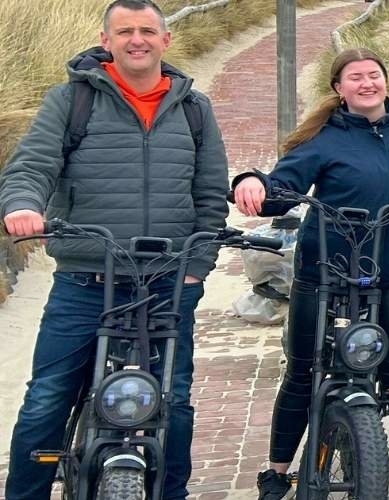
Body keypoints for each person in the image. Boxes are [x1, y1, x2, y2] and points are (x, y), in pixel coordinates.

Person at [2, 1, 229, 498]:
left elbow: (211, 195)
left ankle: (171, 492)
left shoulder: (194, 107)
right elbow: (32, 167)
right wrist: (22, 205)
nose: (137, 39)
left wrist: (196, 268)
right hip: (86, 279)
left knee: (176, 401)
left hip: (167, 282)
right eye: (124, 31)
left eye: (148, 30)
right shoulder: (71, 100)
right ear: (107, 41)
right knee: (48, 398)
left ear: (165, 41)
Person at [230, 48, 389, 499]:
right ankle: (275, 472)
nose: (367, 83)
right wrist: (251, 182)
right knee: (302, 372)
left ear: (386, 81)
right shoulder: (324, 138)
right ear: (339, 88)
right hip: (323, 271)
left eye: (374, 75)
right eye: (356, 77)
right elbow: (282, 189)